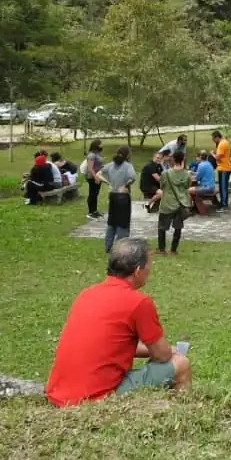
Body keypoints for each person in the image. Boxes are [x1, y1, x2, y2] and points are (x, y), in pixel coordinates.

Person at [46, 238, 191, 406]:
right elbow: (162, 355)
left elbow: (112, 343)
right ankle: (181, 413)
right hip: (93, 397)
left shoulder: (87, 293)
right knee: (181, 364)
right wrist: (167, 350)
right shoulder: (138, 302)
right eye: (148, 266)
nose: (149, 271)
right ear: (137, 271)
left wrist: (160, 350)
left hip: (59, 392)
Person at [97, 145, 136, 253]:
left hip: (113, 195)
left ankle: (108, 246)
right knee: (122, 222)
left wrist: (108, 182)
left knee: (112, 221)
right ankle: (121, 248)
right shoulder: (127, 166)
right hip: (123, 196)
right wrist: (125, 185)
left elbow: (98, 174)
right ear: (127, 155)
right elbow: (132, 177)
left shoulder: (110, 165)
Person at [156, 151, 191, 255]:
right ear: (183, 159)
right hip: (180, 203)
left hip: (167, 203)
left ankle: (162, 249)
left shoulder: (165, 174)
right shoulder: (187, 174)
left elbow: (162, 186)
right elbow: (187, 187)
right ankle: (173, 250)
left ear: (173, 159)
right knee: (178, 227)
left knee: (162, 227)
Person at [212, 130, 231, 211]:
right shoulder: (225, 142)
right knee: (223, 186)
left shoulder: (222, 144)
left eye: (213, 139)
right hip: (225, 167)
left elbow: (218, 157)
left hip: (224, 168)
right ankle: (223, 202)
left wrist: (212, 154)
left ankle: (223, 204)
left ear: (216, 137)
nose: (213, 141)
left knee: (223, 187)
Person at [84, 140, 105, 219]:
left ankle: (95, 211)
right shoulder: (91, 155)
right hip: (92, 177)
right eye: (101, 144)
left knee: (95, 194)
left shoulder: (97, 154)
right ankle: (90, 212)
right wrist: (96, 177)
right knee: (92, 194)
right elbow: (90, 168)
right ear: (96, 145)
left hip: (98, 176)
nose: (102, 145)